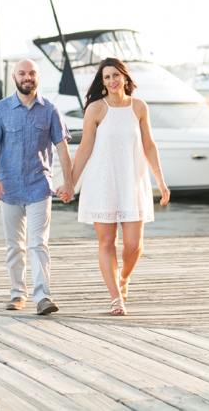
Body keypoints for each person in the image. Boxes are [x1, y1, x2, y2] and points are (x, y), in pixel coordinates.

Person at [57, 57, 170, 316]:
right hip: (102, 180)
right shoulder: (96, 109)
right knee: (107, 241)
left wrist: (160, 181)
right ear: (103, 82)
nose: (112, 80)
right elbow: (84, 149)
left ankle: (125, 277)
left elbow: (149, 145)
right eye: (107, 77)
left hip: (132, 180)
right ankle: (116, 298)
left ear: (125, 77)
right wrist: (70, 183)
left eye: (116, 75)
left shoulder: (139, 107)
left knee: (134, 244)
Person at [0, 59, 72, 315]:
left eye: (32, 73)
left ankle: (43, 297)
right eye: (22, 73)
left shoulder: (51, 110)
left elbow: (63, 149)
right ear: (14, 77)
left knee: (38, 244)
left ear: (38, 77)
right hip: (8, 187)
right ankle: (17, 294)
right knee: (15, 245)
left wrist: (68, 181)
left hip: (39, 187)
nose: (27, 77)